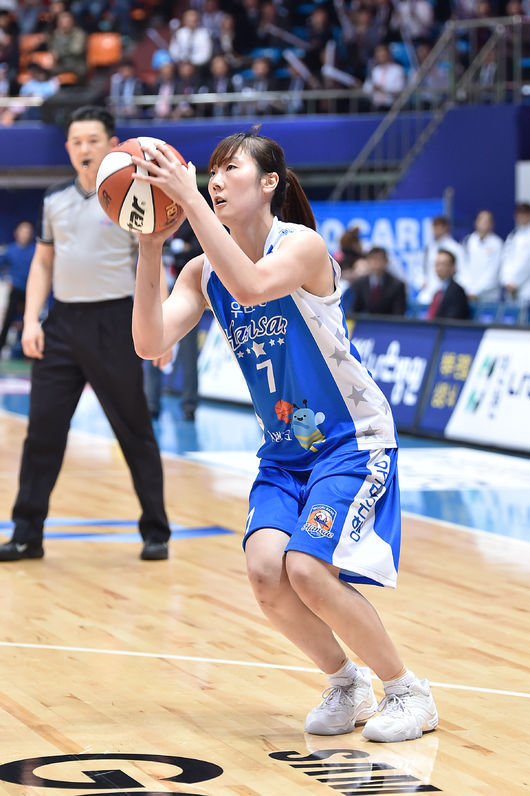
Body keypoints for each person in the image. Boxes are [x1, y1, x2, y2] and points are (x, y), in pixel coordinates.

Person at [131, 129, 438, 742]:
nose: (215, 181)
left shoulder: (301, 246)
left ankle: (408, 691)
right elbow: (149, 341)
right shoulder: (201, 272)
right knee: (266, 573)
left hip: (349, 440)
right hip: (283, 453)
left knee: (308, 569)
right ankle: (346, 683)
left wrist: (187, 199)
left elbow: (250, 285)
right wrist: (148, 247)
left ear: (269, 182)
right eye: (210, 172)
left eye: (230, 169)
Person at [0, 105, 171, 562]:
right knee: (42, 434)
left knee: (134, 429)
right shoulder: (54, 199)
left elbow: (152, 263)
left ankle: (156, 531)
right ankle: (26, 534)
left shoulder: (132, 195)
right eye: (76, 141)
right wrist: (31, 320)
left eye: (93, 140)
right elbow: (43, 263)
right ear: (68, 148)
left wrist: (164, 329)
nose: (84, 148)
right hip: (61, 326)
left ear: (112, 145)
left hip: (116, 324)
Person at [0, 220, 35, 357]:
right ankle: (1, 346)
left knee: (29, 320)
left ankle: (27, 351)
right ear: (17, 233)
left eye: (28, 232)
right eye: (23, 231)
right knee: (9, 319)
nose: (25, 234)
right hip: (15, 290)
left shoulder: (35, 251)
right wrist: (5, 278)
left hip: (31, 291)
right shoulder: (11, 250)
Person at [419, 215, 467, 303]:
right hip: (430, 291)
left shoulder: (455, 248)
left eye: (439, 227)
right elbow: (425, 270)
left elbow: (462, 271)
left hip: (448, 290)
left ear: (445, 228)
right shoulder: (430, 248)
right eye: (434, 227)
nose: (435, 230)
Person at [460, 209, 503, 302]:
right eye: (481, 220)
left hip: (489, 296)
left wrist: (477, 291)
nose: (483, 223)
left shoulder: (497, 244)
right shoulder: (468, 241)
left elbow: (494, 270)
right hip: (469, 293)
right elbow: (463, 267)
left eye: (487, 221)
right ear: (475, 222)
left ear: (492, 224)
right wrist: (469, 289)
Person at [351, 246, 407, 315]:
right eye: (373, 259)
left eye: (379, 259)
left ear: (386, 261)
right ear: (367, 261)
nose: (376, 263)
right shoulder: (359, 283)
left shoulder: (397, 285)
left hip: (388, 321)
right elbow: (354, 310)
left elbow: (399, 313)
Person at [426, 249, 471, 320]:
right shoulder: (438, 292)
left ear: (453, 267)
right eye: (437, 264)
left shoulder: (457, 291)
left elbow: (453, 319)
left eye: (443, 264)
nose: (439, 268)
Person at [500, 201, 530, 305]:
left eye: (525, 213)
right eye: (520, 214)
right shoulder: (513, 235)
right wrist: (507, 281)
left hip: (526, 288)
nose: (522, 217)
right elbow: (506, 259)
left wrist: (516, 282)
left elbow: (527, 263)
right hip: (511, 288)